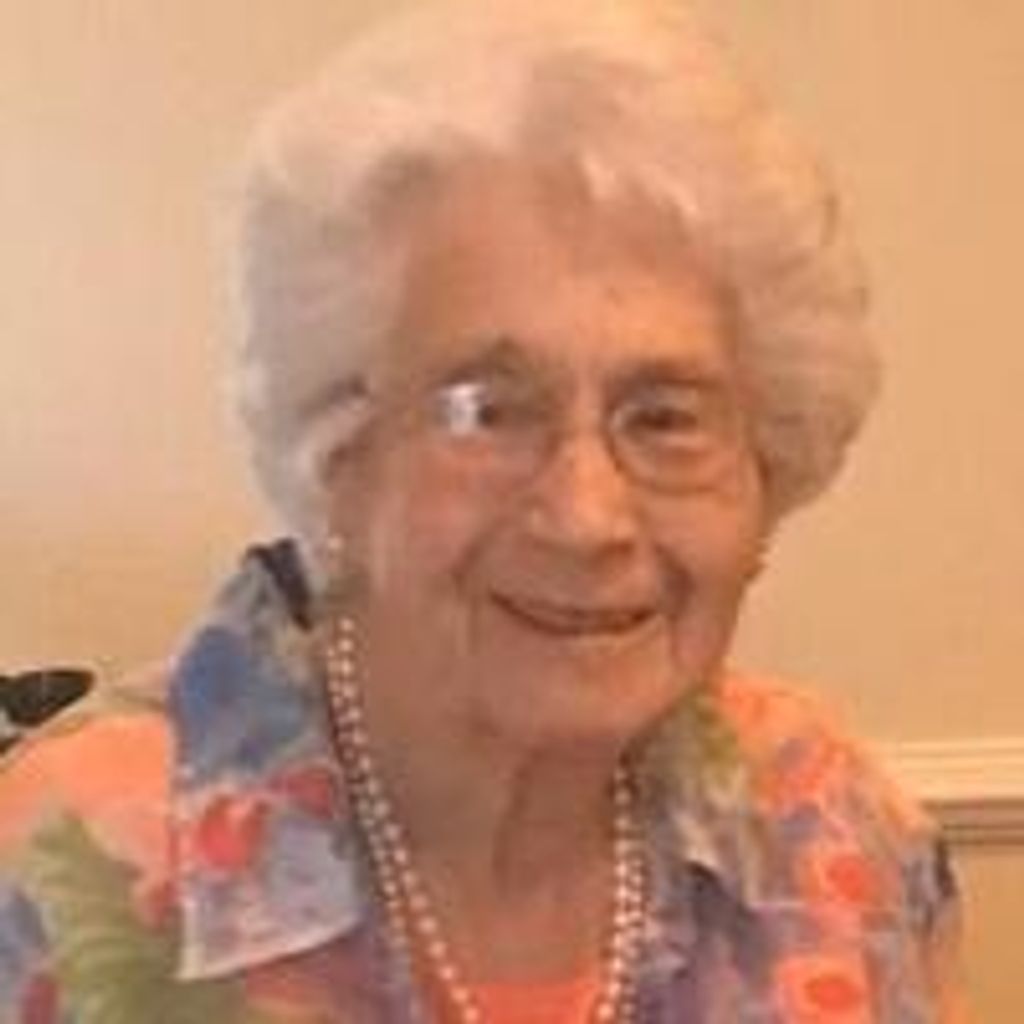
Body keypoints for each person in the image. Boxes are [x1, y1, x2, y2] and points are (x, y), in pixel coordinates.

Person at [0, 1, 970, 1020]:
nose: (587, 516)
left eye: (666, 417)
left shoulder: (834, 829)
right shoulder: (60, 869)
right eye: (488, 411)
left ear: (767, 472)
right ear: (338, 453)